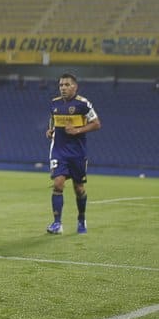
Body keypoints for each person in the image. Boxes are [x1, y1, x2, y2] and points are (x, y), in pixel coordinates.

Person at [46, 73, 101, 234]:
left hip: (77, 153)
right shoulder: (54, 103)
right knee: (58, 184)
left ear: (75, 87)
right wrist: (50, 130)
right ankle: (57, 224)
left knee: (79, 188)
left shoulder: (83, 104)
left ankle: (81, 219)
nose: (63, 87)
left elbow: (96, 123)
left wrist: (77, 130)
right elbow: (53, 118)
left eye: (66, 85)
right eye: (61, 85)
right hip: (59, 151)